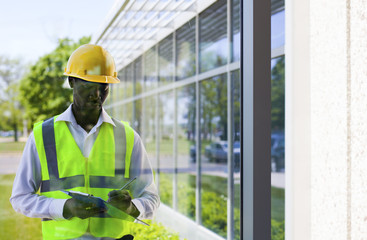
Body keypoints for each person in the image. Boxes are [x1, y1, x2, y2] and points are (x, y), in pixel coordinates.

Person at [10, 44, 160, 240]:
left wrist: (132, 207)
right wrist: (64, 207)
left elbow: (152, 198)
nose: (97, 95)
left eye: (103, 86)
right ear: (72, 81)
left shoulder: (128, 136)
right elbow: (21, 198)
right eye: (89, 85)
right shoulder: (42, 135)